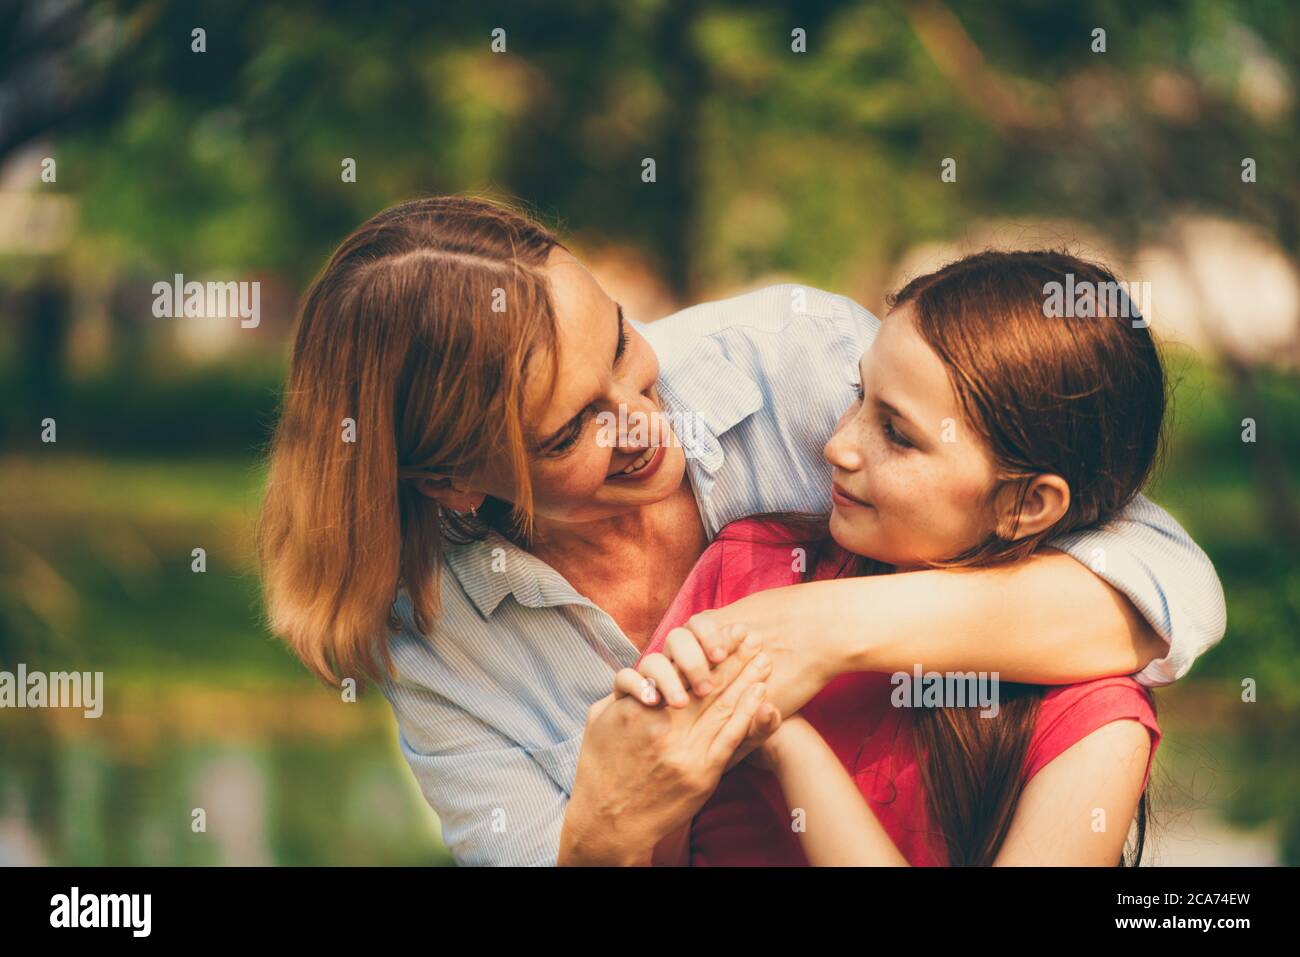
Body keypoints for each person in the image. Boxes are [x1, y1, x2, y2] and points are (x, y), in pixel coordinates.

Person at [258, 197, 1224, 865]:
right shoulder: (439, 639)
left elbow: (1159, 580)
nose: (643, 419)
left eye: (623, 344)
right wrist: (598, 833)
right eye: (570, 430)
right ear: (453, 482)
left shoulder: (791, 365)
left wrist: (820, 628)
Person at [633, 251, 1169, 866]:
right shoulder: (749, 569)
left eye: (897, 434)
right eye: (860, 396)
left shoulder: (1093, 718)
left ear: (1027, 502)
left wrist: (790, 747)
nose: (837, 446)